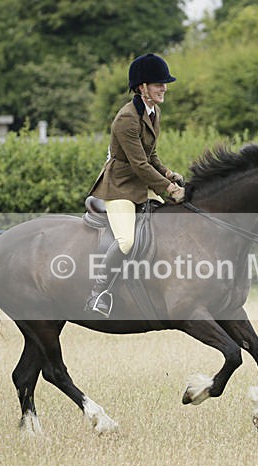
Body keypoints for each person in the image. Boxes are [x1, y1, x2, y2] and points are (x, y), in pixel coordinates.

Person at [85, 53, 185, 317]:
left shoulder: (154, 112)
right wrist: (169, 188)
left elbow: (150, 156)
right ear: (142, 88)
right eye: (158, 83)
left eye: (164, 83)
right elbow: (139, 165)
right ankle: (98, 293)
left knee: (172, 221)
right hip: (120, 186)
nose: (164, 87)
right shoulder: (126, 119)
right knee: (127, 240)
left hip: (142, 183)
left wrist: (169, 173)